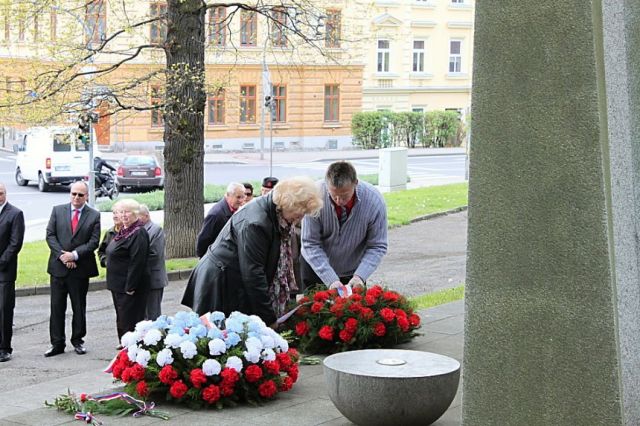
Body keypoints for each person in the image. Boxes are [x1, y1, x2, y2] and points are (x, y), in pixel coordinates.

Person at [182, 176, 323, 325]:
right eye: (300, 212)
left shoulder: (274, 215)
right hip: (220, 283)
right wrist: (269, 319)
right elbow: (253, 274)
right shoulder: (256, 223)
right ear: (288, 204)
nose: (300, 217)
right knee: (225, 338)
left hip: (232, 278)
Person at [301, 161, 388, 294]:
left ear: (356, 183)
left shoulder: (374, 201)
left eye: (344, 195)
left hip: (354, 273)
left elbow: (377, 246)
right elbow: (310, 243)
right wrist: (330, 279)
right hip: (316, 269)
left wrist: (360, 276)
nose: (339, 201)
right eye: (333, 194)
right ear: (326, 184)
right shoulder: (314, 196)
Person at [45, 181, 101, 357]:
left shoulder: (94, 215)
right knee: (56, 307)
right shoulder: (57, 210)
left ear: (87, 196)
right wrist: (63, 256)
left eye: (80, 195)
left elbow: (93, 242)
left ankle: (78, 340)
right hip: (58, 268)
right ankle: (57, 343)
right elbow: (50, 235)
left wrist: (74, 255)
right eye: (74, 194)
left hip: (80, 269)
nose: (76, 197)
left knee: (79, 307)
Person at [105, 199, 150, 340]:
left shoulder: (138, 233)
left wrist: (130, 287)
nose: (124, 215)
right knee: (122, 318)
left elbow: (137, 262)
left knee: (130, 321)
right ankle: (124, 346)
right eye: (121, 212)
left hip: (129, 288)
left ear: (136, 214)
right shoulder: (124, 231)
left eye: (127, 212)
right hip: (118, 285)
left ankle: (130, 350)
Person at [0, 183, 25, 362]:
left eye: (0, 193)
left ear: (5, 194)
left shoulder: (15, 214)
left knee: (4, 310)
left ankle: (4, 348)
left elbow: (15, 244)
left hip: (4, 271)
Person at [195, 182, 245, 257]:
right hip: (215, 259)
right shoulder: (216, 215)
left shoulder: (235, 210)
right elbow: (203, 240)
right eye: (238, 197)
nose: (241, 201)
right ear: (228, 195)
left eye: (242, 197)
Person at [138, 203, 167, 320]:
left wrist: (135, 263)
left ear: (146, 215)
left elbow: (154, 254)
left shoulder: (156, 230)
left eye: (138, 216)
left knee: (153, 314)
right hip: (143, 279)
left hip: (153, 279)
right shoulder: (138, 230)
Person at [97, 201, 122, 268]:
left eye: (118, 213)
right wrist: (105, 261)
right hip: (112, 274)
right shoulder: (109, 233)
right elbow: (101, 251)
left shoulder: (131, 233)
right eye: (114, 213)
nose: (115, 216)